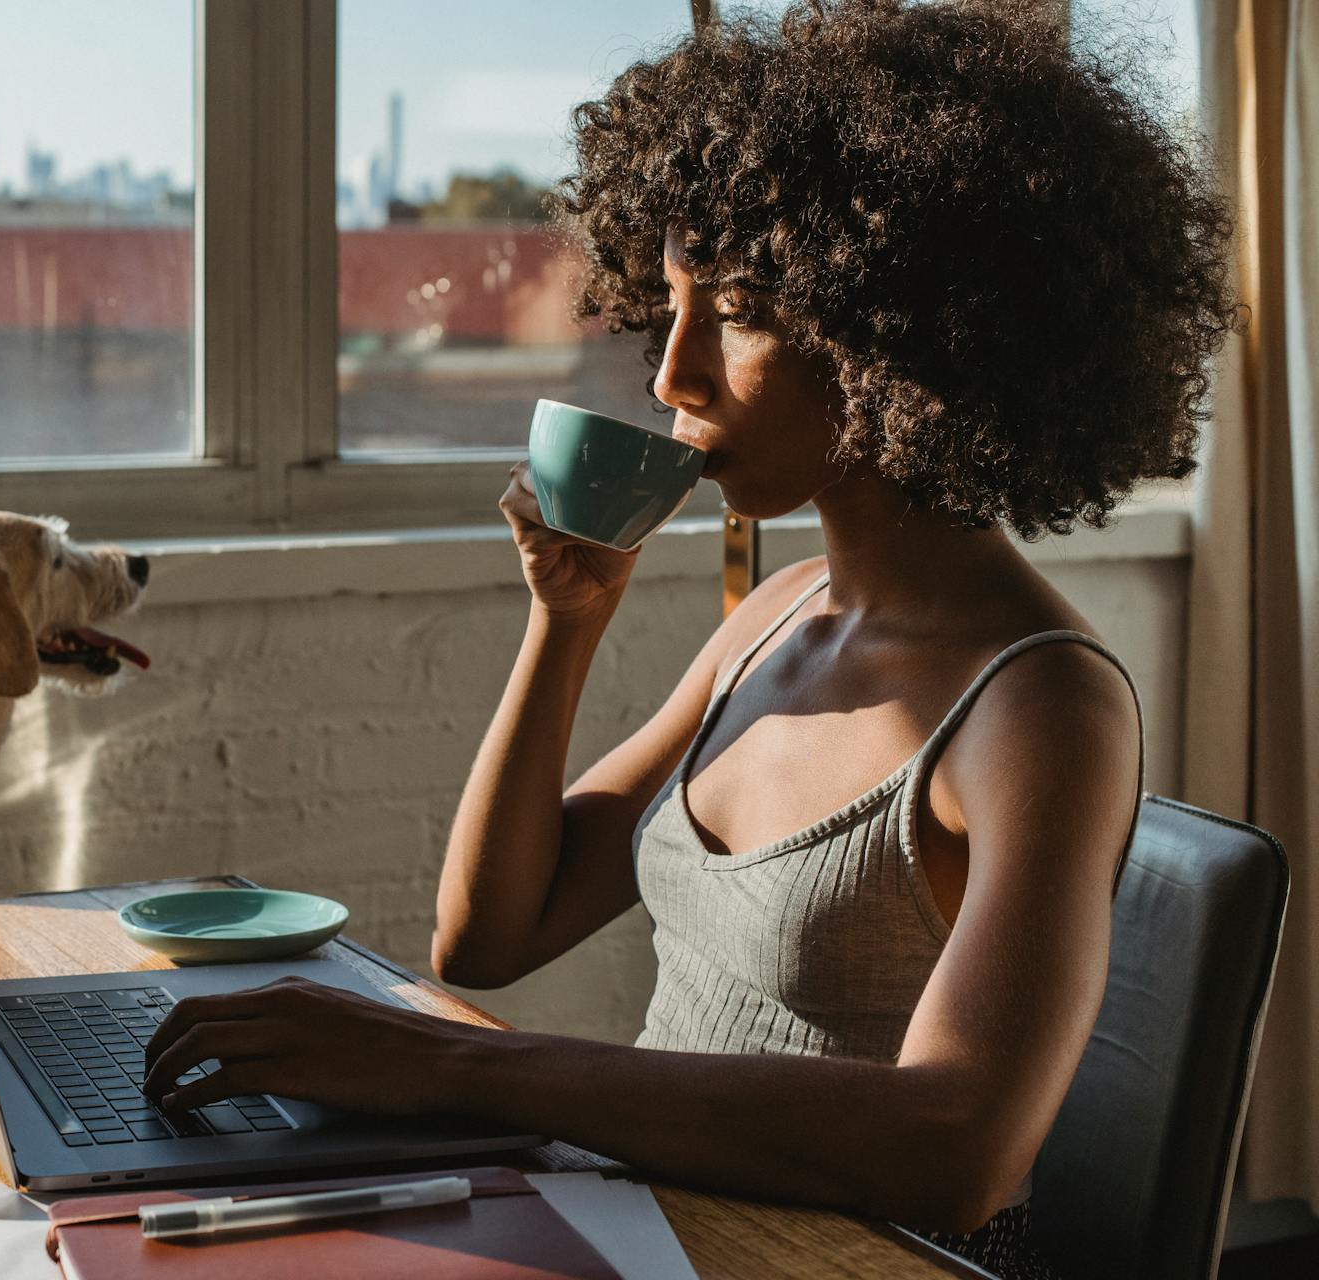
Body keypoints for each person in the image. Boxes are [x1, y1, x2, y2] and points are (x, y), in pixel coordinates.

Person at [141, 2, 1235, 1275]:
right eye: (667, 306)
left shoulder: (1040, 706)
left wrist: (464, 1068)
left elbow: (959, 1146)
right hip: (649, 1234)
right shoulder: (775, 618)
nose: (671, 372)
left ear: (903, 325)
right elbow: (490, 936)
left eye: (741, 309)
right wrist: (567, 622)